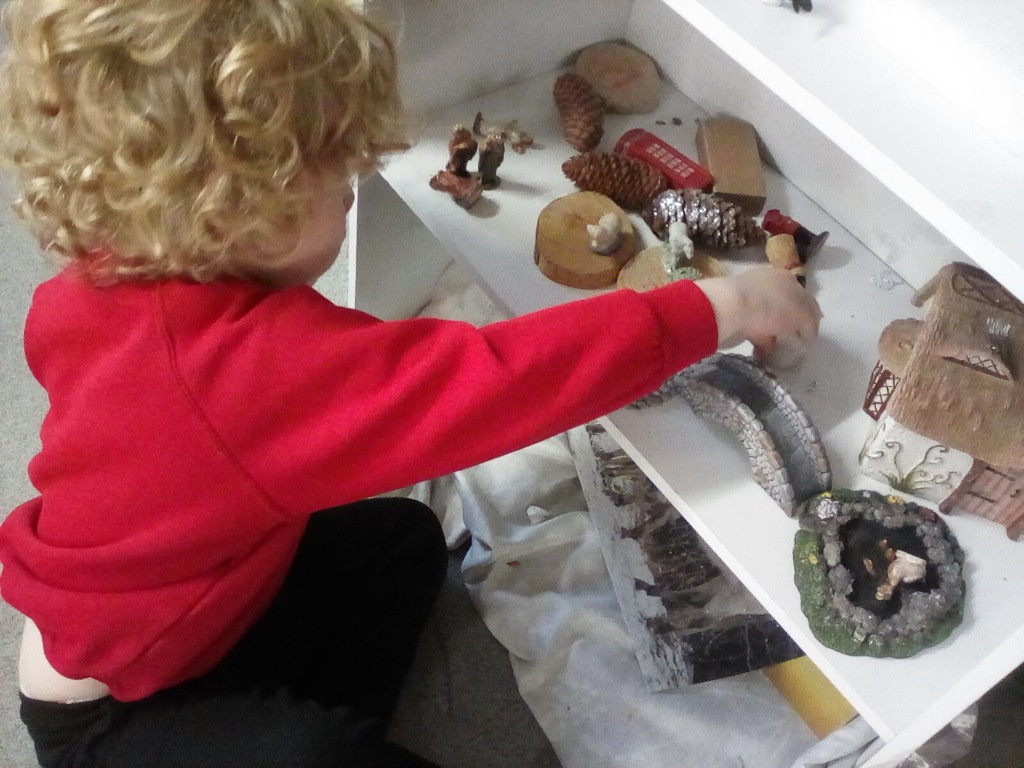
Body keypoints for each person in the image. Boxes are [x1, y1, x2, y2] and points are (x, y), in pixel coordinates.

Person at [0, 1, 822, 767]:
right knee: (315, 751)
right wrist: (725, 304)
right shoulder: (249, 373)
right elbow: (500, 384)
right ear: (249, 213)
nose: (351, 196)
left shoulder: (105, 272)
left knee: (404, 543)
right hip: (119, 714)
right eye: (340, 185)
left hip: (197, 602)